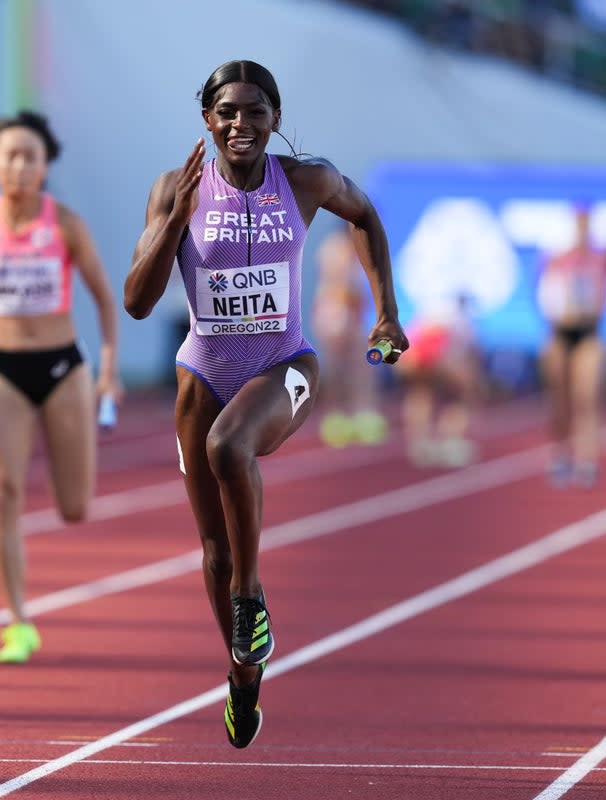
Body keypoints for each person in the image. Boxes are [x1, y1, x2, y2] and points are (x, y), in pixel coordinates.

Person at [123, 60, 406, 749]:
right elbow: (136, 302)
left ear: (275, 118)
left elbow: (364, 214)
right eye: (226, 112)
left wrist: (387, 312)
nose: (240, 124)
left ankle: (253, 598)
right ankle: (243, 676)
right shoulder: (173, 188)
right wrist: (172, 218)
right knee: (212, 552)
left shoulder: (305, 180)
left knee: (230, 447)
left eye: (254, 111)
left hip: (285, 366)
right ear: (207, 121)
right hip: (202, 373)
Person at [0, 110, 121, 663]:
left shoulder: (65, 223)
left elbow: (105, 300)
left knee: (74, 508)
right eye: (9, 155)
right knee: (4, 493)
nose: (18, 166)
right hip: (5, 372)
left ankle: (23, 609)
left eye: (30, 157)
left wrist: (108, 367)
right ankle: (17, 621)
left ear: (44, 167)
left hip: (63, 370)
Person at [536, 204, 606, 488]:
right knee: (560, 399)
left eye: (586, 223)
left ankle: (587, 459)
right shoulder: (556, 259)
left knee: (587, 397)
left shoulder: (599, 259)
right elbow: (544, 295)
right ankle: (560, 454)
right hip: (560, 333)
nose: (582, 229)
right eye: (578, 223)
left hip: (589, 333)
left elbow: (604, 297)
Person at [311, 225, 388, 447]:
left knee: (360, 367)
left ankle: (360, 415)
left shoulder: (358, 247)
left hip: (349, 314)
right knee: (339, 368)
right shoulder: (337, 248)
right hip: (337, 313)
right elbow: (338, 286)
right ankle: (337, 419)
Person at [396, 293, 482, 468]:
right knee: (460, 391)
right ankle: (450, 441)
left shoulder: (434, 308)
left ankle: (421, 443)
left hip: (409, 350)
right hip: (426, 349)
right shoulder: (462, 320)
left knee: (421, 392)